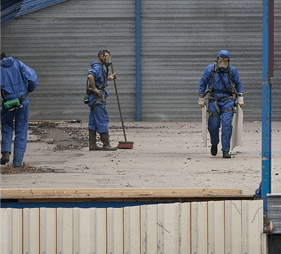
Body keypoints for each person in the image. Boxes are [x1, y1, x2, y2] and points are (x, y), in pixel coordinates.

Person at [198, 49, 244, 158]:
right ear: (217, 60)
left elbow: (238, 83)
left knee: (227, 125)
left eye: (225, 61)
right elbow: (203, 82)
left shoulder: (233, 71)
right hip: (214, 101)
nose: (223, 63)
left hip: (228, 100)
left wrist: (240, 97)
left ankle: (225, 150)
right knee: (213, 126)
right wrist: (201, 97)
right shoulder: (210, 69)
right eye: (221, 60)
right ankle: (214, 144)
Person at [0, 50, 38, 166]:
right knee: (21, 130)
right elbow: (33, 79)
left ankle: (5, 151)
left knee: (6, 126)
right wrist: (28, 90)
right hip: (22, 100)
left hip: (7, 102)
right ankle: (17, 163)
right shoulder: (18, 64)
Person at [87, 49, 117, 151]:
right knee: (102, 120)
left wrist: (111, 78)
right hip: (97, 99)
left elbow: (101, 79)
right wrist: (95, 89)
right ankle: (106, 145)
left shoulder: (100, 68)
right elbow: (90, 76)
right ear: (101, 56)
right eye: (106, 57)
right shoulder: (97, 67)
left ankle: (92, 145)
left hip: (93, 99)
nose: (108, 59)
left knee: (93, 122)